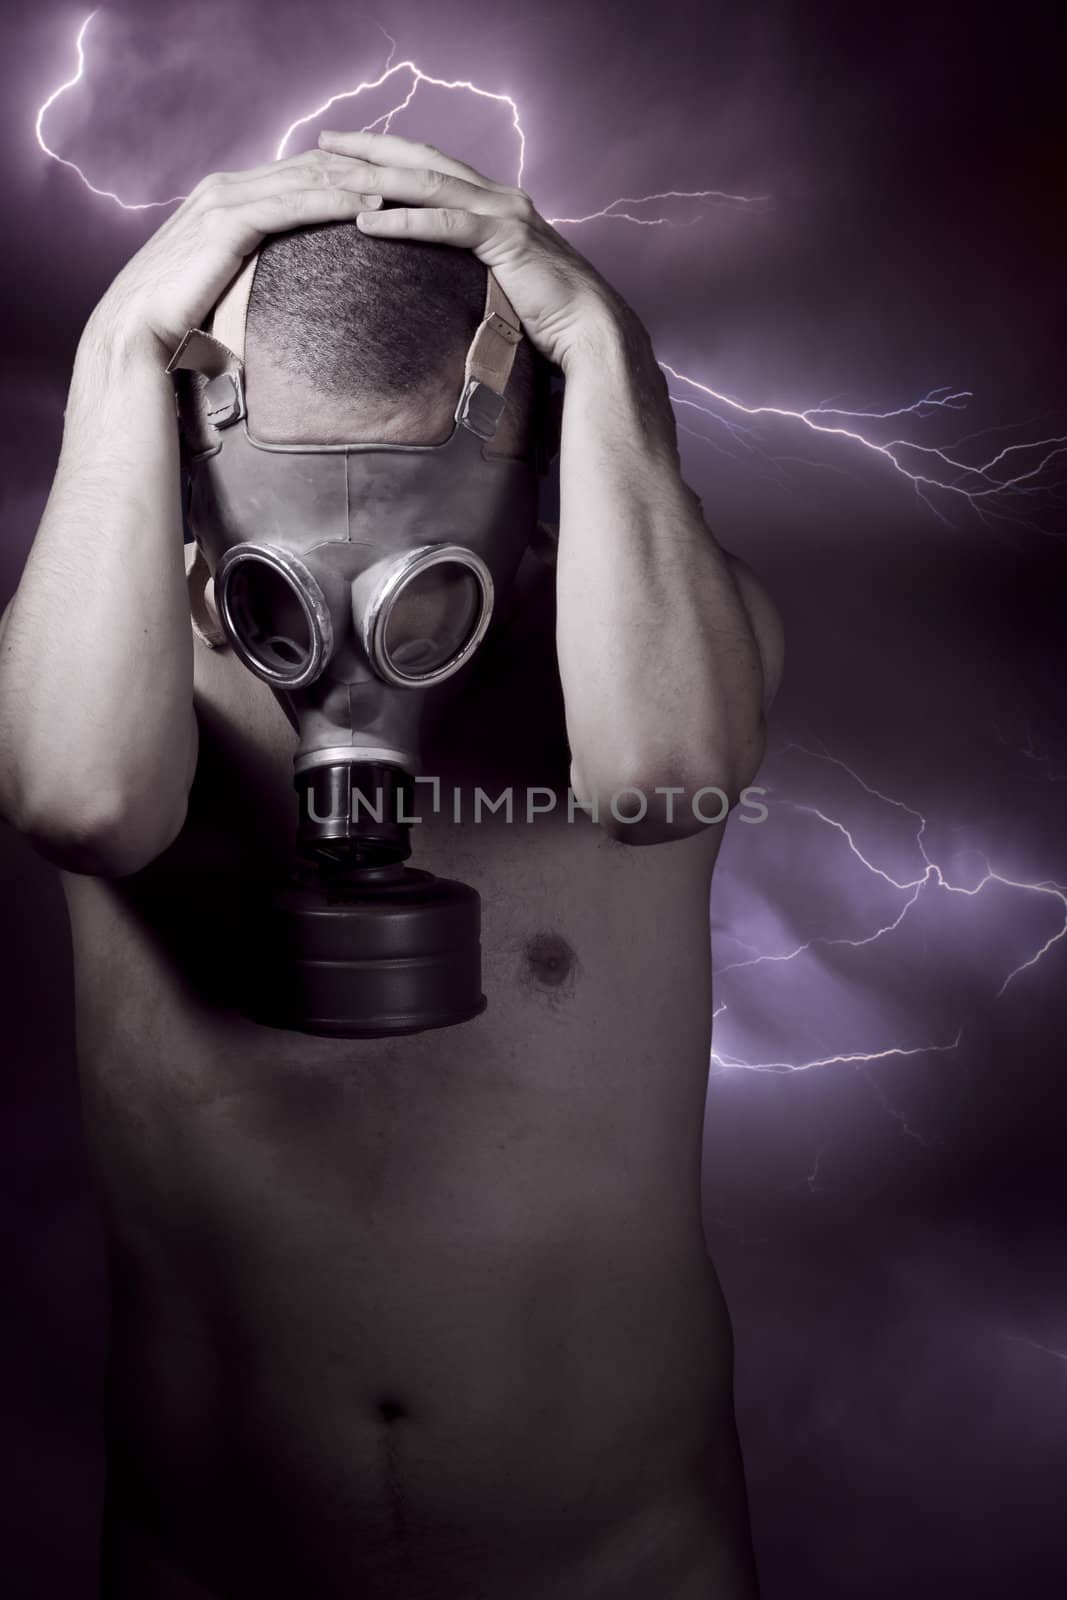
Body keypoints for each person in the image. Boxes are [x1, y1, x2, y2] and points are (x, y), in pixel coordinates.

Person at [0, 130, 784, 1598]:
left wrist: (605, 359)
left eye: (422, 555)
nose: (352, 612)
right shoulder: (108, 658)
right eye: (285, 549)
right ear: (189, 469)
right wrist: (121, 355)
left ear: (529, 467)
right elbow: (87, 801)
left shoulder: (649, 636)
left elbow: (664, 774)